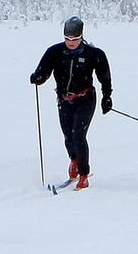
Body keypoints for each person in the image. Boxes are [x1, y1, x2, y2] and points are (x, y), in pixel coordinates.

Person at [29, 16, 112, 190]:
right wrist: (38, 78)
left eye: (74, 39)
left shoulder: (93, 54)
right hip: (64, 100)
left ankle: (83, 174)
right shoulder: (54, 52)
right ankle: (74, 159)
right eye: (67, 39)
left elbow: (104, 77)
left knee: (78, 135)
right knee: (68, 136)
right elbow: (43, 72)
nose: (71, 42)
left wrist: (107, 97)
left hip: (85, 99)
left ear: (81, 37)